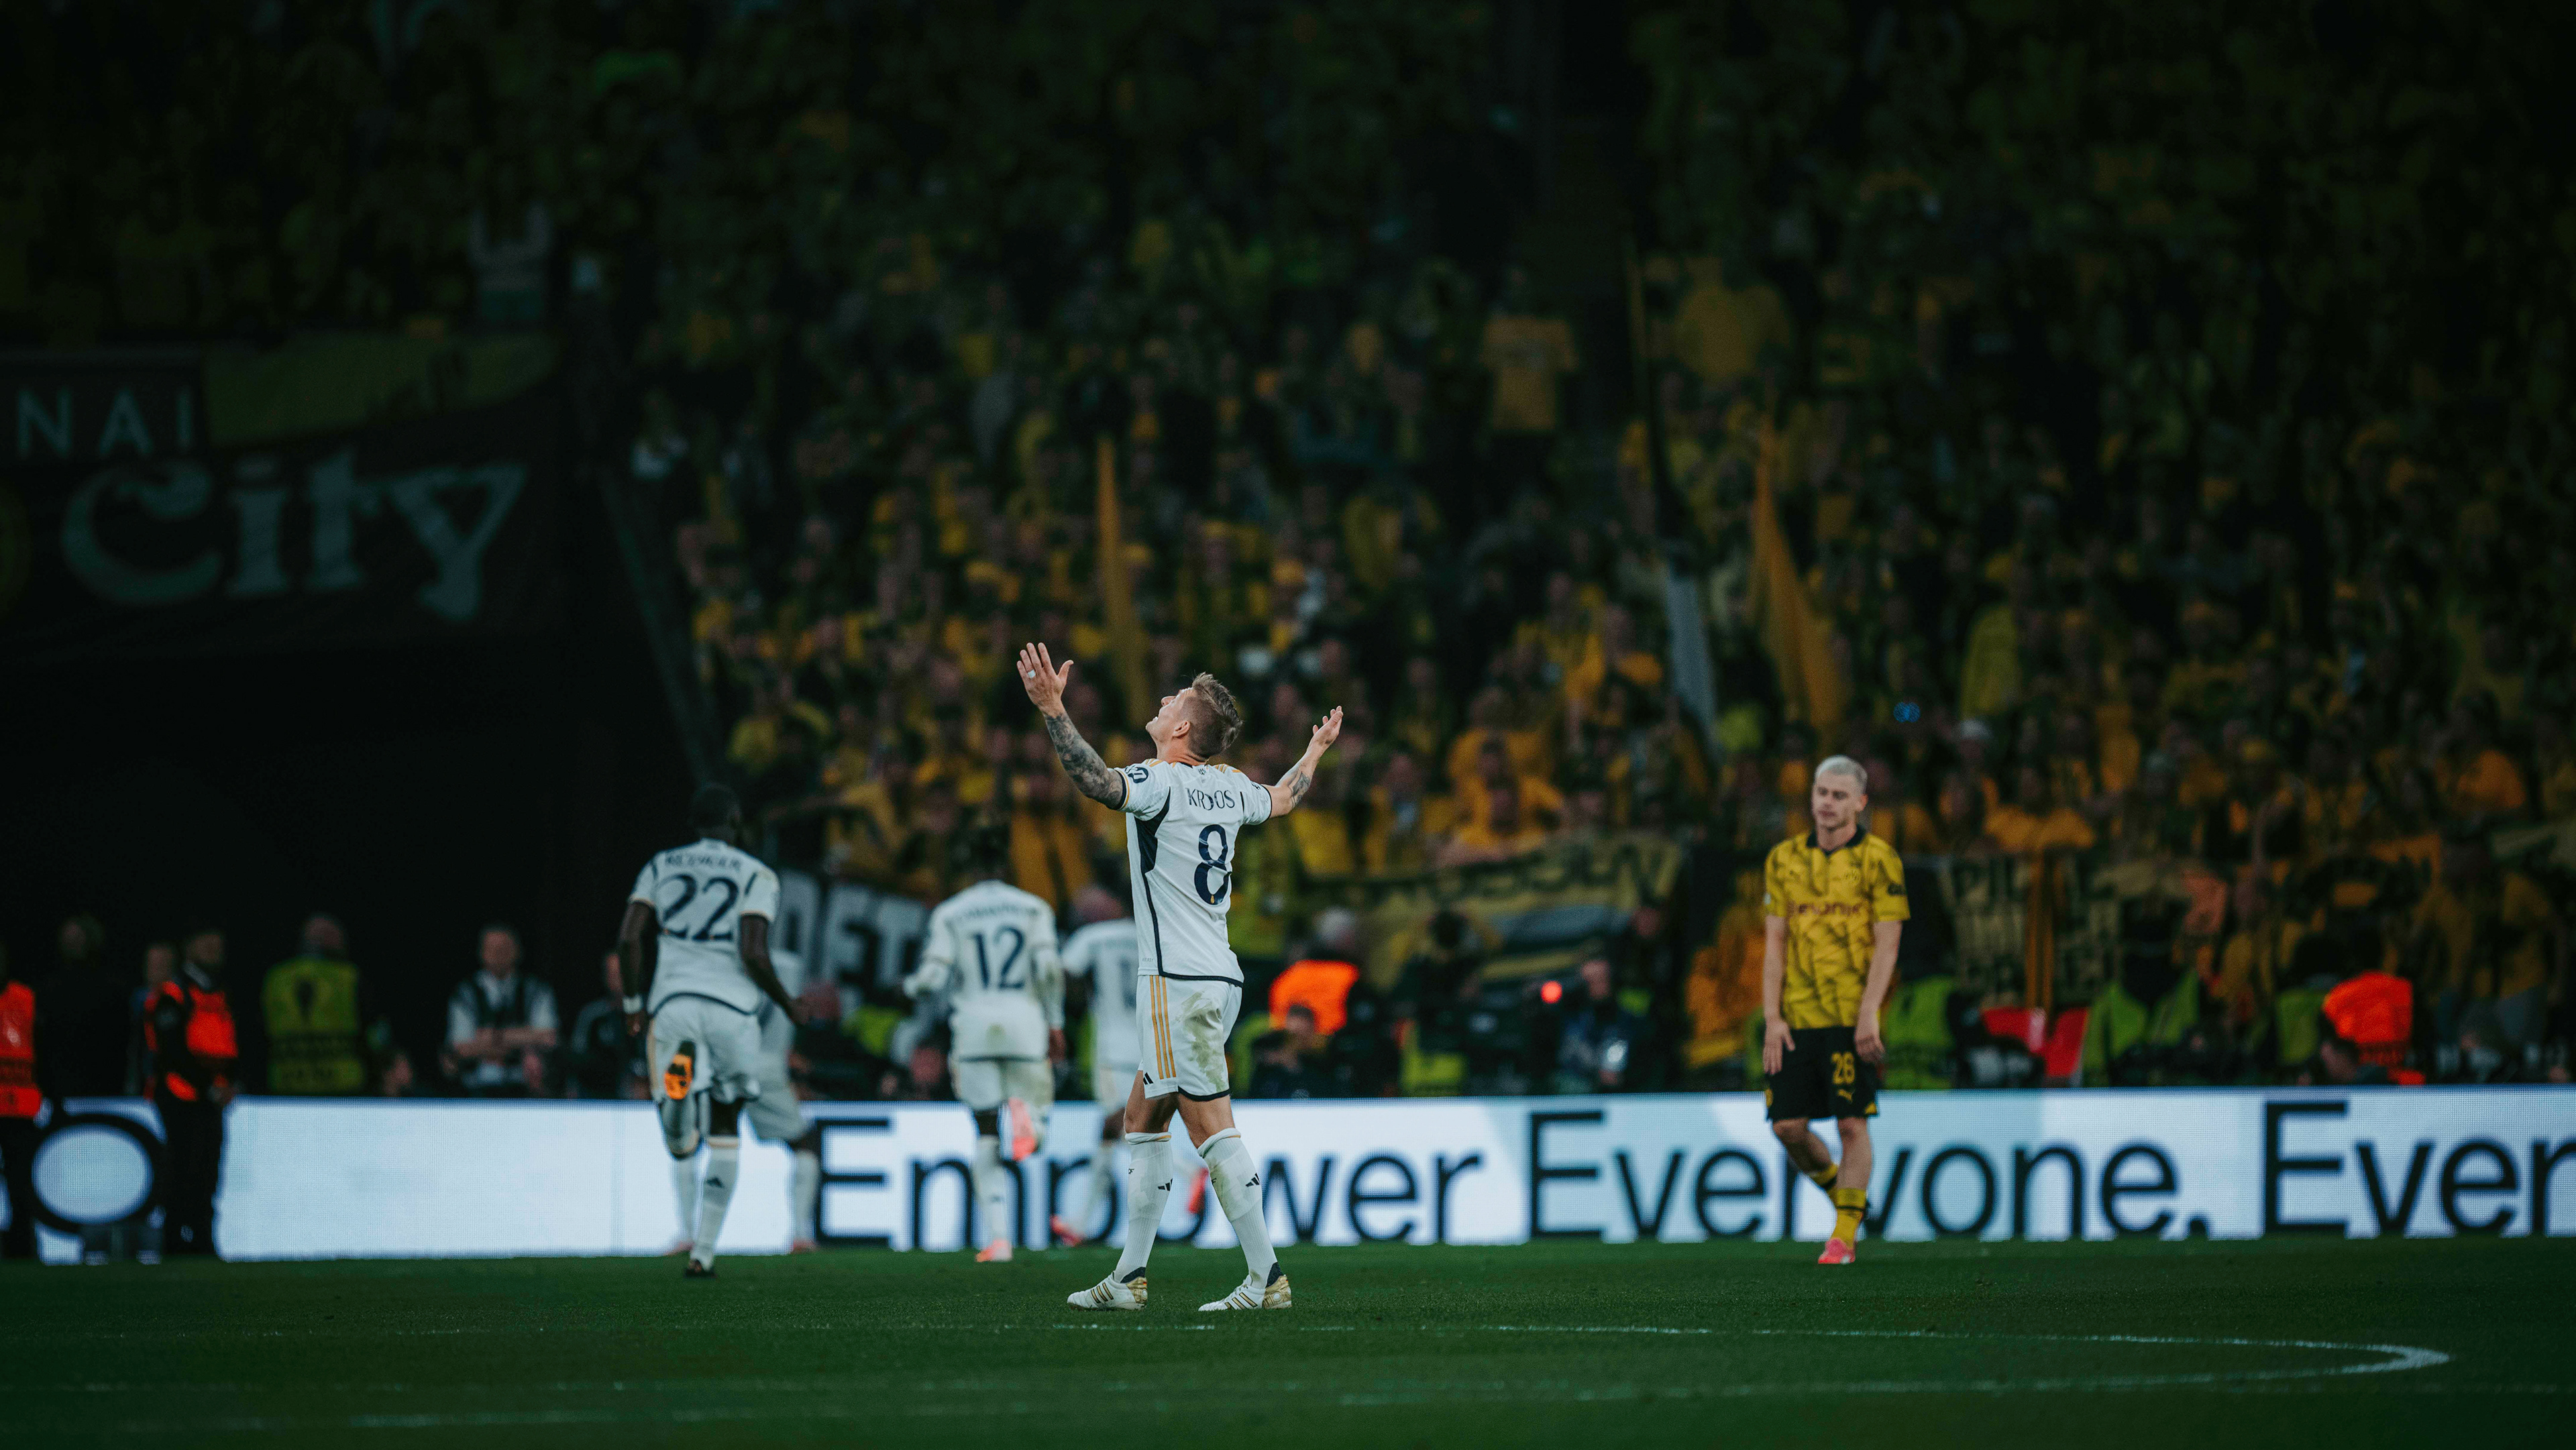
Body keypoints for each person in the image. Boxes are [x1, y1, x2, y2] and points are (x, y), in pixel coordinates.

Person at [1021, 643, 1341, 1313]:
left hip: (1177, 984)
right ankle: (1129, 1276)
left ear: (1183, 727)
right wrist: (1314, 750)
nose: (1163, 701)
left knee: (1211, 1128)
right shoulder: (1232, 786)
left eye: (1174, 700)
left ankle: (1267, 1276)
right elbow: (1286, 797)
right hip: (1218, 976)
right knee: (1142, 1117)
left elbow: (1096, 781)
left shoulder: (1159, 781)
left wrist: (1053, 710)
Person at [622, 783, 804, 1278]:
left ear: (693, 823)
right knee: (726, 1131)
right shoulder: (756, 873)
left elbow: (630, 938)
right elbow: (753, 951)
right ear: (736, 822)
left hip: (674, 1004)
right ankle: (703, 1253)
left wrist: (634, 1003)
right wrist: (788, 1003)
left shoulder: (661, 865)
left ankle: (679, 1107)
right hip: (732, 1012)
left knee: (681, 1143)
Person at [1761, 755, 1909, 1267]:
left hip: (1849, 1015)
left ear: (1860, 803)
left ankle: (1843, 1236)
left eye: (1839, 796)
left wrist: (1870, 1012)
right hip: (1796, 1017)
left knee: (1851, 1124)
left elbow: (1888, 944)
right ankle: (1842, 1196)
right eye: (1822, 793)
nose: (1827, 803)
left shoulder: (1880, 860)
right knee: (1787, 1128)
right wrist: (1772, 1018)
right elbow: (1774, 944)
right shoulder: (1783, 859)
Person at [904, 826, 1066, 1262]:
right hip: (1024, 1025)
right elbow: (1049, 969)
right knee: (1033, 1114)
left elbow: (933, 977)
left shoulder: (951, 913)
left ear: (969, 868)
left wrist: (911, 986)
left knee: (985, 1130)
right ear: (1007, 865)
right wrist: (1055, 1022)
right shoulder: (1034, 908)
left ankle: (999, 1240)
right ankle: (1030, 1121)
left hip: (974, 1029)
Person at [1053, 885, 1140, 1247]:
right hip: (1150, 1042)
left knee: (1120, 1126)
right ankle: (1082, 1224)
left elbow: (1063, 973)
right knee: (1112, 1131)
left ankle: (1188, 1171)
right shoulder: (1151, 935)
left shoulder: (1093, 937)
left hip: (1112, 1049)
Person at [145, 926, 239, 1258]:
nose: (214, 950)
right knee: (182, 1169)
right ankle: (174, 1240)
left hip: (211, 1099)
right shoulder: (173, 993)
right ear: (190, 948)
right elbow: (171, 1052)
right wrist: (210, 1085)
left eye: (218, 945)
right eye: (207, 944)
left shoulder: (220, 993)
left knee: (208, 1172)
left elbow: (230, 1044)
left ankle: (202, 1240)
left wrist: (230, 1083)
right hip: (180, 1096)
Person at [262, 914, 377, 1096]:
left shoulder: (275, 978)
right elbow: (374, 1034)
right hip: (344, 1090)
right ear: (331, 939)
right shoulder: (350, 977)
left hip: (284, 1087)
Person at [442, 926, 559, 1097]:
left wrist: (495, 1037)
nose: (498, 954)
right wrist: (524, 1038)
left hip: (525, 1090)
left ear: (517, 951)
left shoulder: (536, 990)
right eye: (492, 949)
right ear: (481, 952)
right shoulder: (465, 994)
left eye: (504, 948)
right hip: (475, 1090)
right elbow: (460, 1047)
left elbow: (549, 1038)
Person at [35, 915, 125, 1099]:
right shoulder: (49, 989)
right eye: (68, 939)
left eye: (77, 938)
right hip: (59, 1089)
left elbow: (120, 1042)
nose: (72, 944)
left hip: (104, 1089)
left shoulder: (113, 989)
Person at [1, 942, 41, 1260]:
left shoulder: (26, 997)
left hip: (19, 1108)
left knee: (21, 1185)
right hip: (18, 1106)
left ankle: (22, 1250)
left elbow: (43, 1046)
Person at [565, 951, 644, 1101]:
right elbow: (576, 1060)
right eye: (611, 973)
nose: (616, 979)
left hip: (641, 1097)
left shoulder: (647, 1014)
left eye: (620, 973)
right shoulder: (592, 1016)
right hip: (599, 1098)